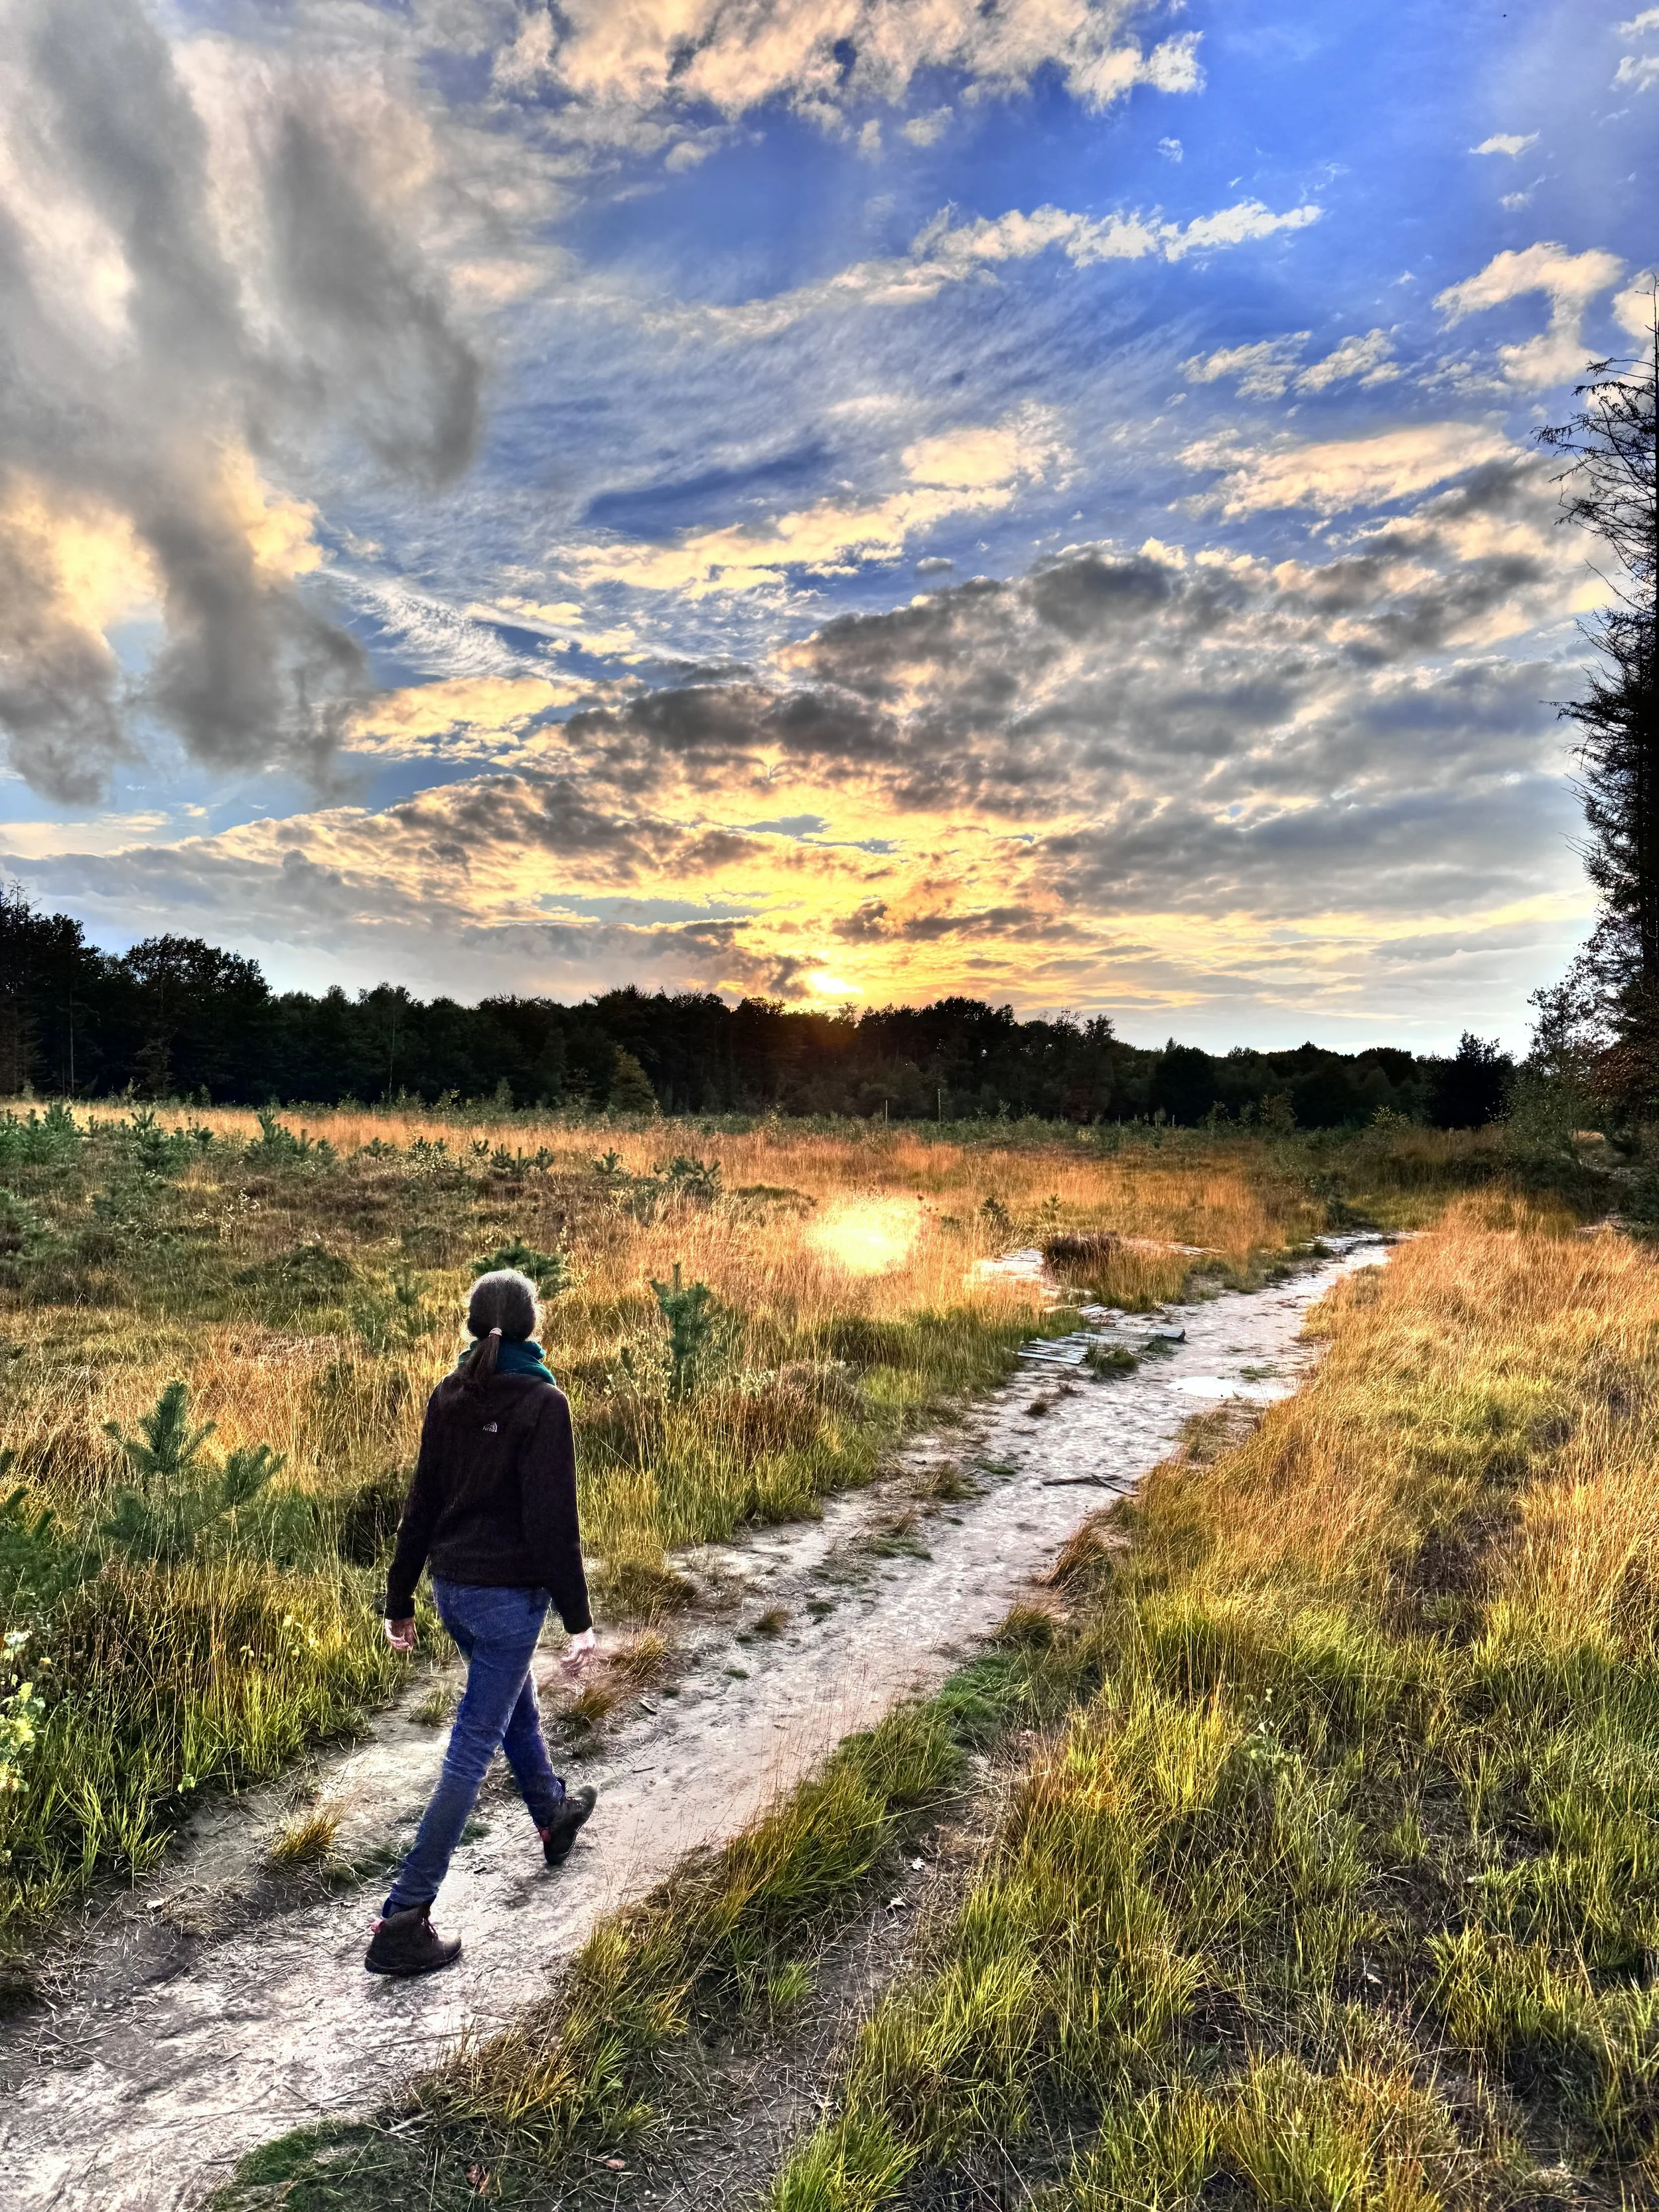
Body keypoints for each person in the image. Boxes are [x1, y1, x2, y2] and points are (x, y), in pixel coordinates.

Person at [366, 1267, 598, 1978]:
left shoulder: (450, 1393)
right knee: (471, 1748)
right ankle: (406, 1915)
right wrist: (579, 1621)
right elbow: (552, 1524)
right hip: (506, 1602)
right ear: (533, 1327)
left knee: (510, 1706)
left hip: (454, 1592)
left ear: (471, 1327)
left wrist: (399, 1597)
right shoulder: (542, 1402)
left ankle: (552, 1814)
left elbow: (421, 1505)